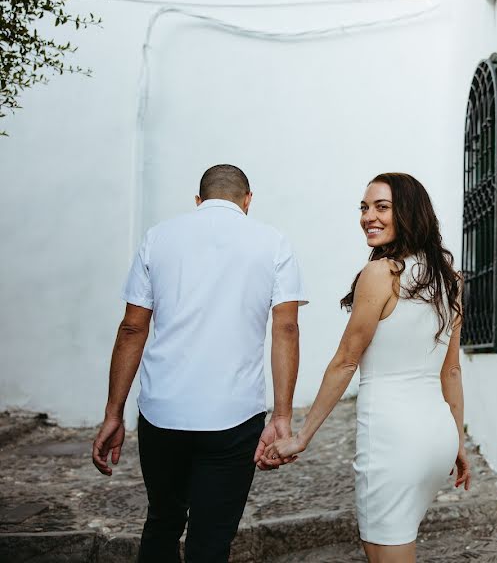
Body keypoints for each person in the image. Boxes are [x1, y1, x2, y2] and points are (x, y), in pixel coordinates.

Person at [91, 164, 308, 563]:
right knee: (211, 540)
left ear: (198, 201)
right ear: (248, 201)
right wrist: (282, 415)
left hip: (162, 413)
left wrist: (113, 413)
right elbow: (287, 328)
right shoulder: (273, 242)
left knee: (162, 520)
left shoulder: (158, 238)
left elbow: (132, 329)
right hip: (234, 414)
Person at [265, 172, 470, 563]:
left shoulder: (381, 273)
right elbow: (452, 371)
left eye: (381, 207)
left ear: (409, 212)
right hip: (437, 438)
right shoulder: (449, 280)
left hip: (392, 441)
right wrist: (456, 441)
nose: (368, 217)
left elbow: (346, 360)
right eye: (364, 207)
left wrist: (302, 436)